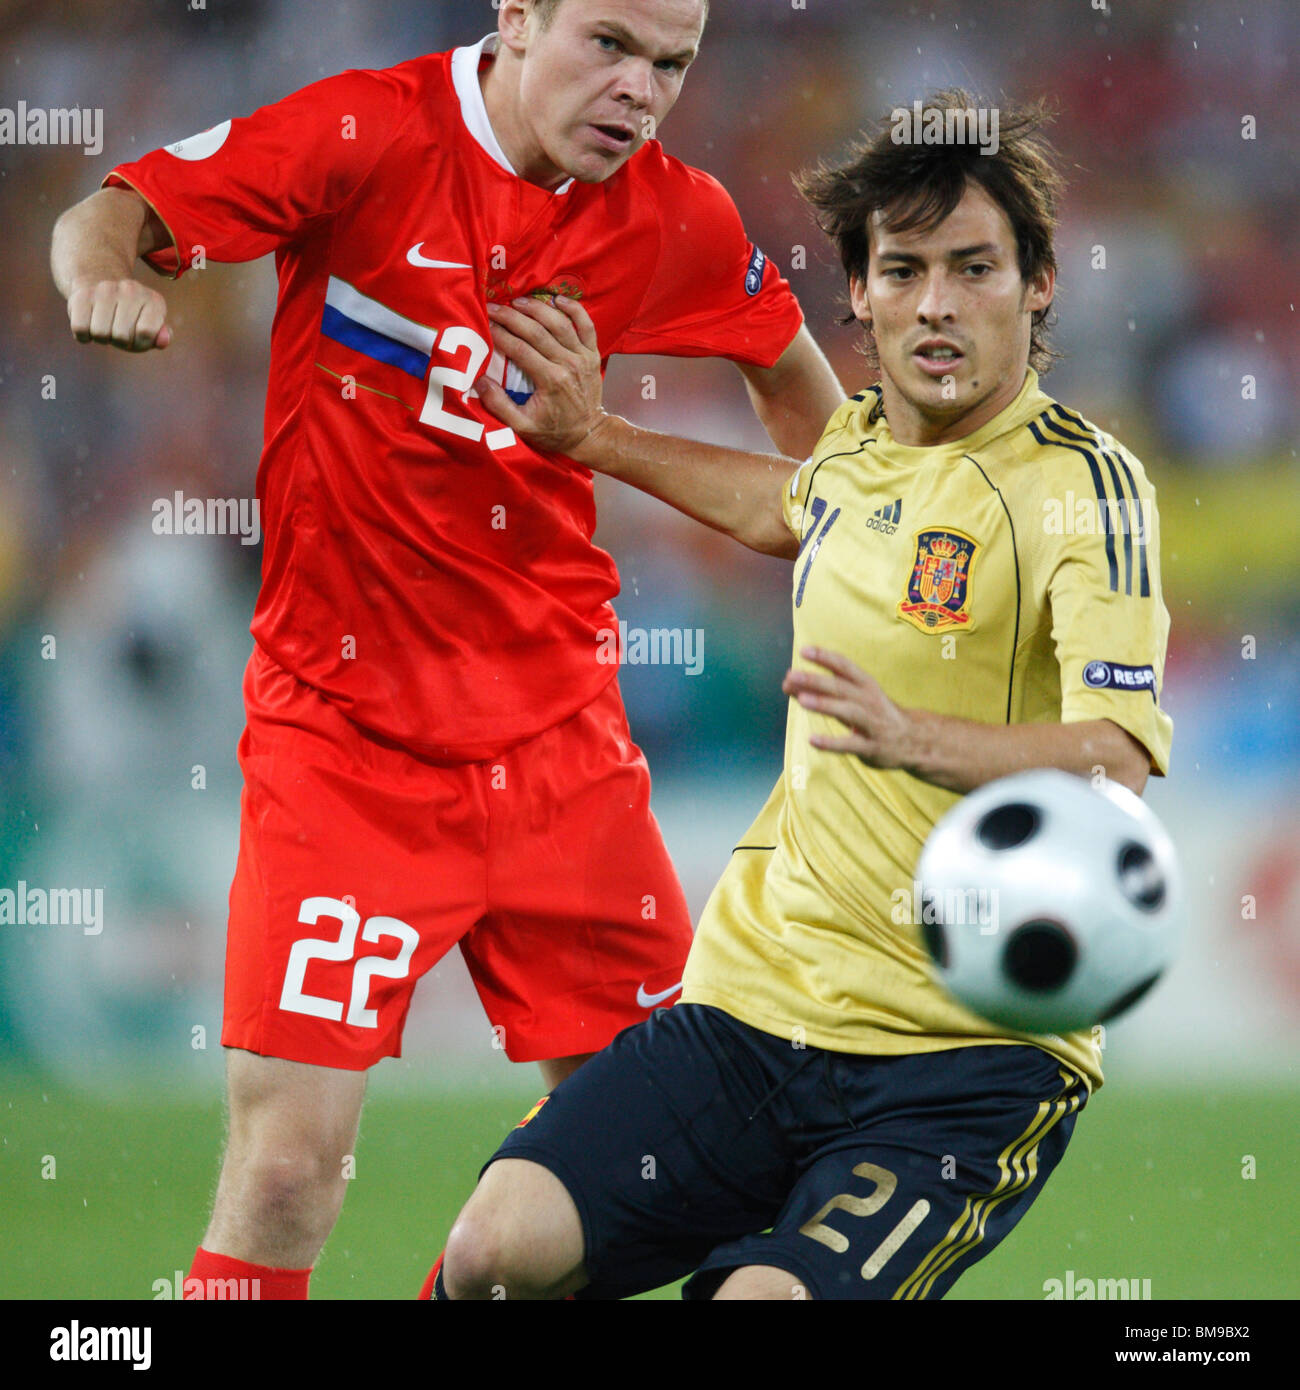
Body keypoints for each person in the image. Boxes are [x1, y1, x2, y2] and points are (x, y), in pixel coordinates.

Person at [49, 0, 845, 1300]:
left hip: (562, 751)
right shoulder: (366, 134)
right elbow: (111, 209)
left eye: (673, 64)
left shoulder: (678, 215)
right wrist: (102, 272)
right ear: (517, 16)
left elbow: (826, 437)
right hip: (345, 746)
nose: (640, 90)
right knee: (289, 1168)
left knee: (647, 1170)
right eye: (609, 44)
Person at [433, 90, 1175, 1300]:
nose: (936, 304)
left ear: (1037, 284)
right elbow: (786, 503)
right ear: (862, 295)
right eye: (903, 270)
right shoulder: (860, 447)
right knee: (492, 1253)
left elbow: (1119, 758)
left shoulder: (1081, 489)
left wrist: (914, 737)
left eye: (973, 268)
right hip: (752, 1007)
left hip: (962, 1056)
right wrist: (592, 436)